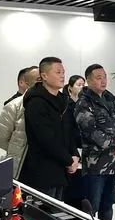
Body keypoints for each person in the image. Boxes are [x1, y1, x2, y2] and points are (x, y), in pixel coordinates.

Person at [75, 64, 115, 220]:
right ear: (88, 80)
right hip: (96, 165)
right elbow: (90, 131)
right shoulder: (84, 103)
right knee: (92, 206)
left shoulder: (109, 99)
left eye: (104, 77)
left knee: (108, 204)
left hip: (114, 163)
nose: (103, 80)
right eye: (98, 78)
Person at [20, 57, 80, 199]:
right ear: (44, 76)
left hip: (61, 169)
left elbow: (69, 131)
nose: (62, 76)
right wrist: (68, 160)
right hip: (43, 171)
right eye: (58, 72)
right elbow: (46, 139)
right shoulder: (36, 102)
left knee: (58, 209)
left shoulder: (63, 100)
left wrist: (75, 155)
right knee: (44, 211)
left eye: (63, 72)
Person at [0, 66, 40, 178]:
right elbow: (2, 139)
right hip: (23, 164)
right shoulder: (13, 105)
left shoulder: (53, 105)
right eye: (38, 79)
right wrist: (17, 150)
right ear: (25, 82)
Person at [62, 75, 86, 209]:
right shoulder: (66, 105)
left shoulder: (85, 104)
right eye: (78, 85)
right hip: (73, 149)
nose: (82, 87)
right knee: (73, 190)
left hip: (85, 149)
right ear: (70, 88)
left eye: (83, 85)